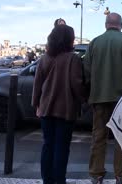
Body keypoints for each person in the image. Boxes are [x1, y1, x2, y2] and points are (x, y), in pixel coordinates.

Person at [83, 12, 122, 184]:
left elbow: (87, 71)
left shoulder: (94, 43)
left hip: (99, 98)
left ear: (106, 24)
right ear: (121, 25)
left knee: (98, 137)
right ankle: (121, 176)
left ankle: (96, 174)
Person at [31, 24, 87, 184]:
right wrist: (85, 99)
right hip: (66, 110)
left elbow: (37, 84)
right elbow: (77, 85)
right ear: (68, 39)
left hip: (46, 109)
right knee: (62, 148)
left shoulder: (44, 58)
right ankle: (59, 180)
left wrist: (36, 105)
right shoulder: (73, 58)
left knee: (48, 145)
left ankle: (47, 180)